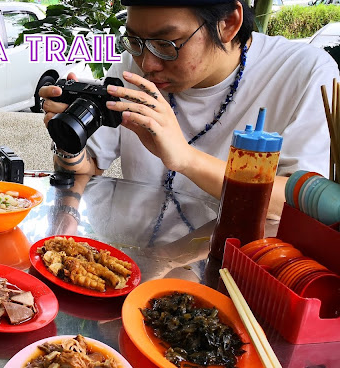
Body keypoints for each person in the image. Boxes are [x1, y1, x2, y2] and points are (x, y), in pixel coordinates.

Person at [41, 0, 339, 219]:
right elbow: (89, 167)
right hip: (135, 256)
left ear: (228, 23)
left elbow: (301, 206)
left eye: (166, 43)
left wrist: (186, 159)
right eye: (134, 41)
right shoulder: (135, 65)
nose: (147, 64)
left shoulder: (304, 73)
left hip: (236, 268)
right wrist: (69, 142)